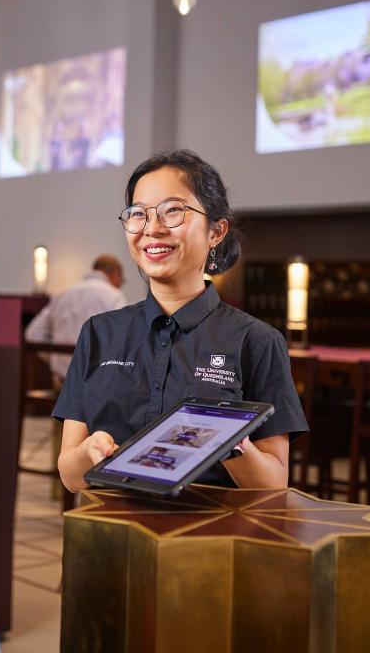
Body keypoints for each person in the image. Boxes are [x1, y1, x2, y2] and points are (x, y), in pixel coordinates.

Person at [54, 150, 308, 493]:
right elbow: (70, 476)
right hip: (111, 536)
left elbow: (273, 484)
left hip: (211, 538)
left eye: (172, 211)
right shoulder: (100, 332)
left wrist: (231, 443)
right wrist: (89, 452)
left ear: (215, 232)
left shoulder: (256, 341)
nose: (152, 229)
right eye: (139, 214)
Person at [25, 254, 128, 381]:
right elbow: (124, 338)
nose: (120, 284)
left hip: (62, 384)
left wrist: (56, 359)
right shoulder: (113, 296)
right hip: (97, 385)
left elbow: (33, 334)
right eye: (122, 280)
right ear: (115, 274)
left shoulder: (62, 294)